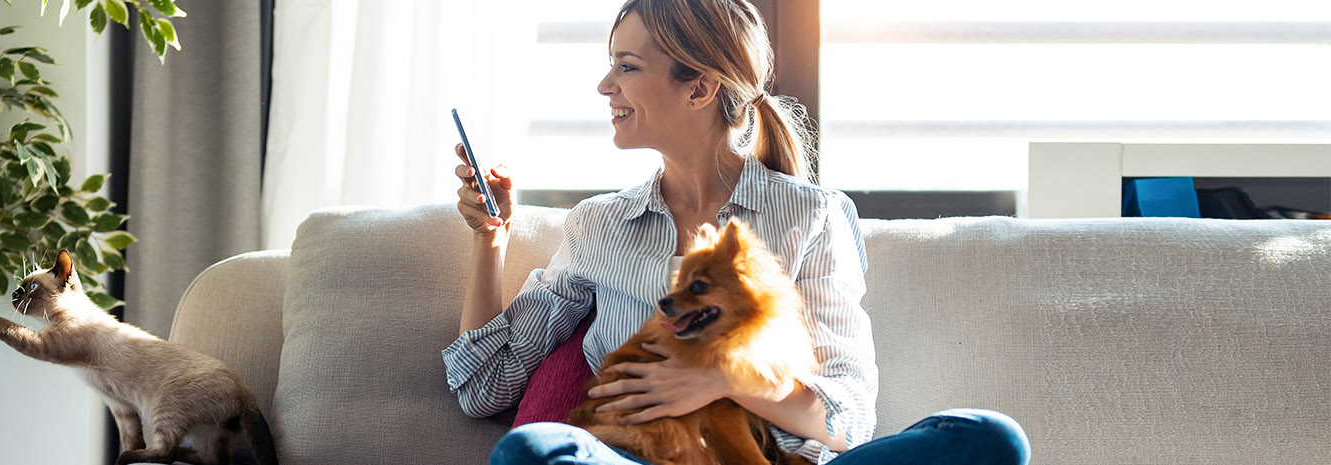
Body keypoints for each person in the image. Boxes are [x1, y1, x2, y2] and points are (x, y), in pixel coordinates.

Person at [442, 1, 1031, 464]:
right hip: (647, 458)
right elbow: (483, 385)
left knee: (988, 438)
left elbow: (847, 418)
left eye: (627, 67)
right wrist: (490, 239)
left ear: (698, 88)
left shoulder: (810, 215)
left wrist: (719, 378)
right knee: (532, 453)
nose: (604, 86)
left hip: (779, 458)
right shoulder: (601, 225)